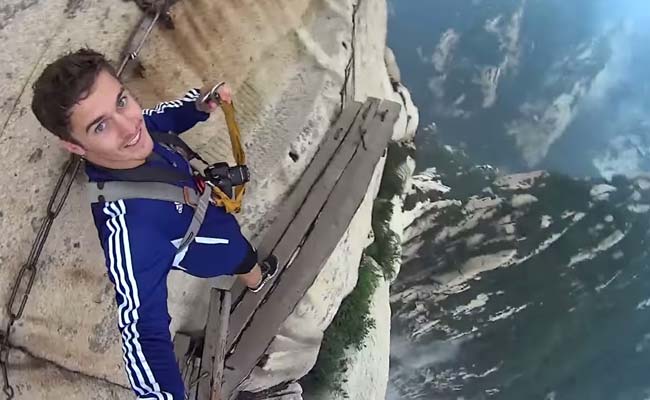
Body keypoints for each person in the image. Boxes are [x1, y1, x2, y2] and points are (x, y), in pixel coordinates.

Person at [30, 48, 277, 399]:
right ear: (74, 146)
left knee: (240, 247)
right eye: (100, 126)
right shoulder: (130, 229)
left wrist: (201, 103)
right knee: (237, 252)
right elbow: (143, 333)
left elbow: (163, 118)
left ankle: (255, 279)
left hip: (204, 211)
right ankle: (256, 281)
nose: (129, 126)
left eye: (121, 102)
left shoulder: (137, 126)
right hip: (205, 248)